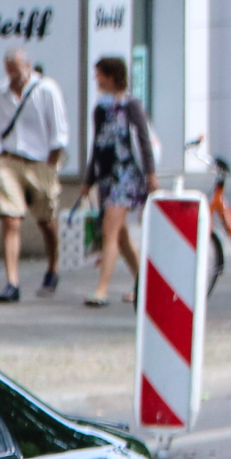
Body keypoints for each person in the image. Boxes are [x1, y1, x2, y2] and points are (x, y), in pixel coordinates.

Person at [0, 45, 69, 302]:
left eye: (18, 69)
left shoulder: (46, 90)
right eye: (9, 71)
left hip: (40, 162)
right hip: (10, 161)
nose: (14, 76)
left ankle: (53, 267)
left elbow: (58, 132)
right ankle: (12, 282)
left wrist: (51, 165)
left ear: (28, 66)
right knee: (10, 218)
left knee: (46, 221)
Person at [83, 54, 160, 307]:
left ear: (112, 77)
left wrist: (150, 174)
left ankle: (102, 289)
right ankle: (145, 283)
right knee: (121, 234)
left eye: (99, 74)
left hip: (127, 175)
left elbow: (144, 140)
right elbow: (97, 145)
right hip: (107, 176)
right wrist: (89, 178)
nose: (96, 79)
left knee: (109, 231)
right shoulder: (100, 109)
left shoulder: (131, 106)